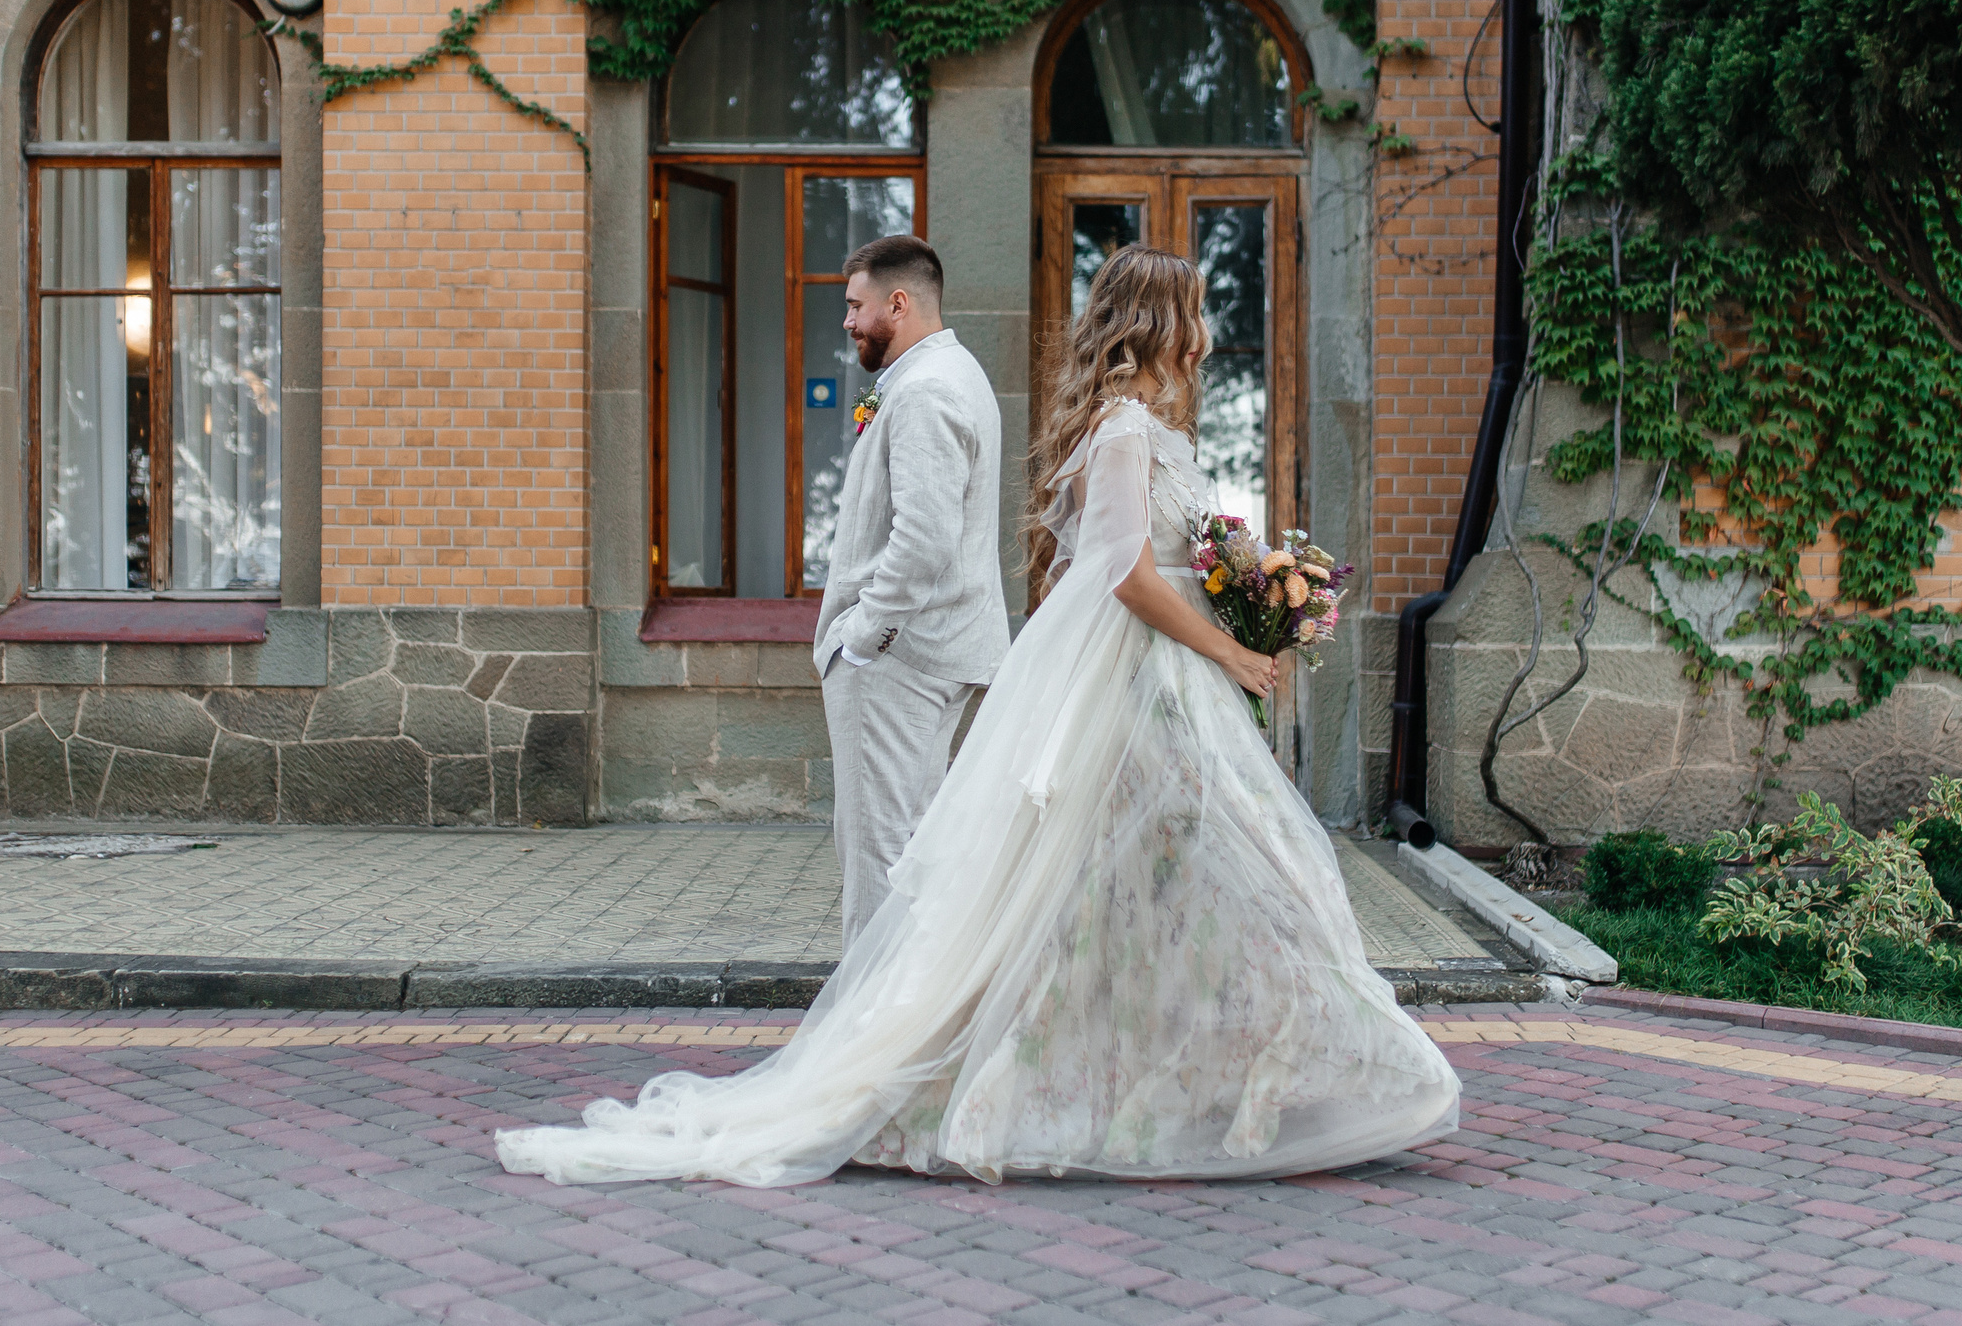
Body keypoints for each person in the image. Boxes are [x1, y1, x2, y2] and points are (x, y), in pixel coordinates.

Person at [498, 243, 1460, 1187]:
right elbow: (1122, 572)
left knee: (1190, 875)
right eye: (1198, 312)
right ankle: (961, 1067)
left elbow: (1157, 559)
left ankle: (1224, 1072)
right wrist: (1231, 647)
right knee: (1129, 877)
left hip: (1163, 680)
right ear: (1161, 323)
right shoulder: (1119, 428)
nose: (1208, 333)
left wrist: (1247, 596)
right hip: (1135, 676)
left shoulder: (1141, 428)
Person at [811, 235, 1010, 948]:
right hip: (940, 650)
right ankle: (906, 1023)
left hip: (900, 660)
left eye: (855, 305)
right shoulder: (958, 373)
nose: (848, 321)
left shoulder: (925, 392)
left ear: (899, 302)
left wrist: (864, 637)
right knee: (914, 853)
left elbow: (923, 540)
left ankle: (867, 1032)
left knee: (877, 855)